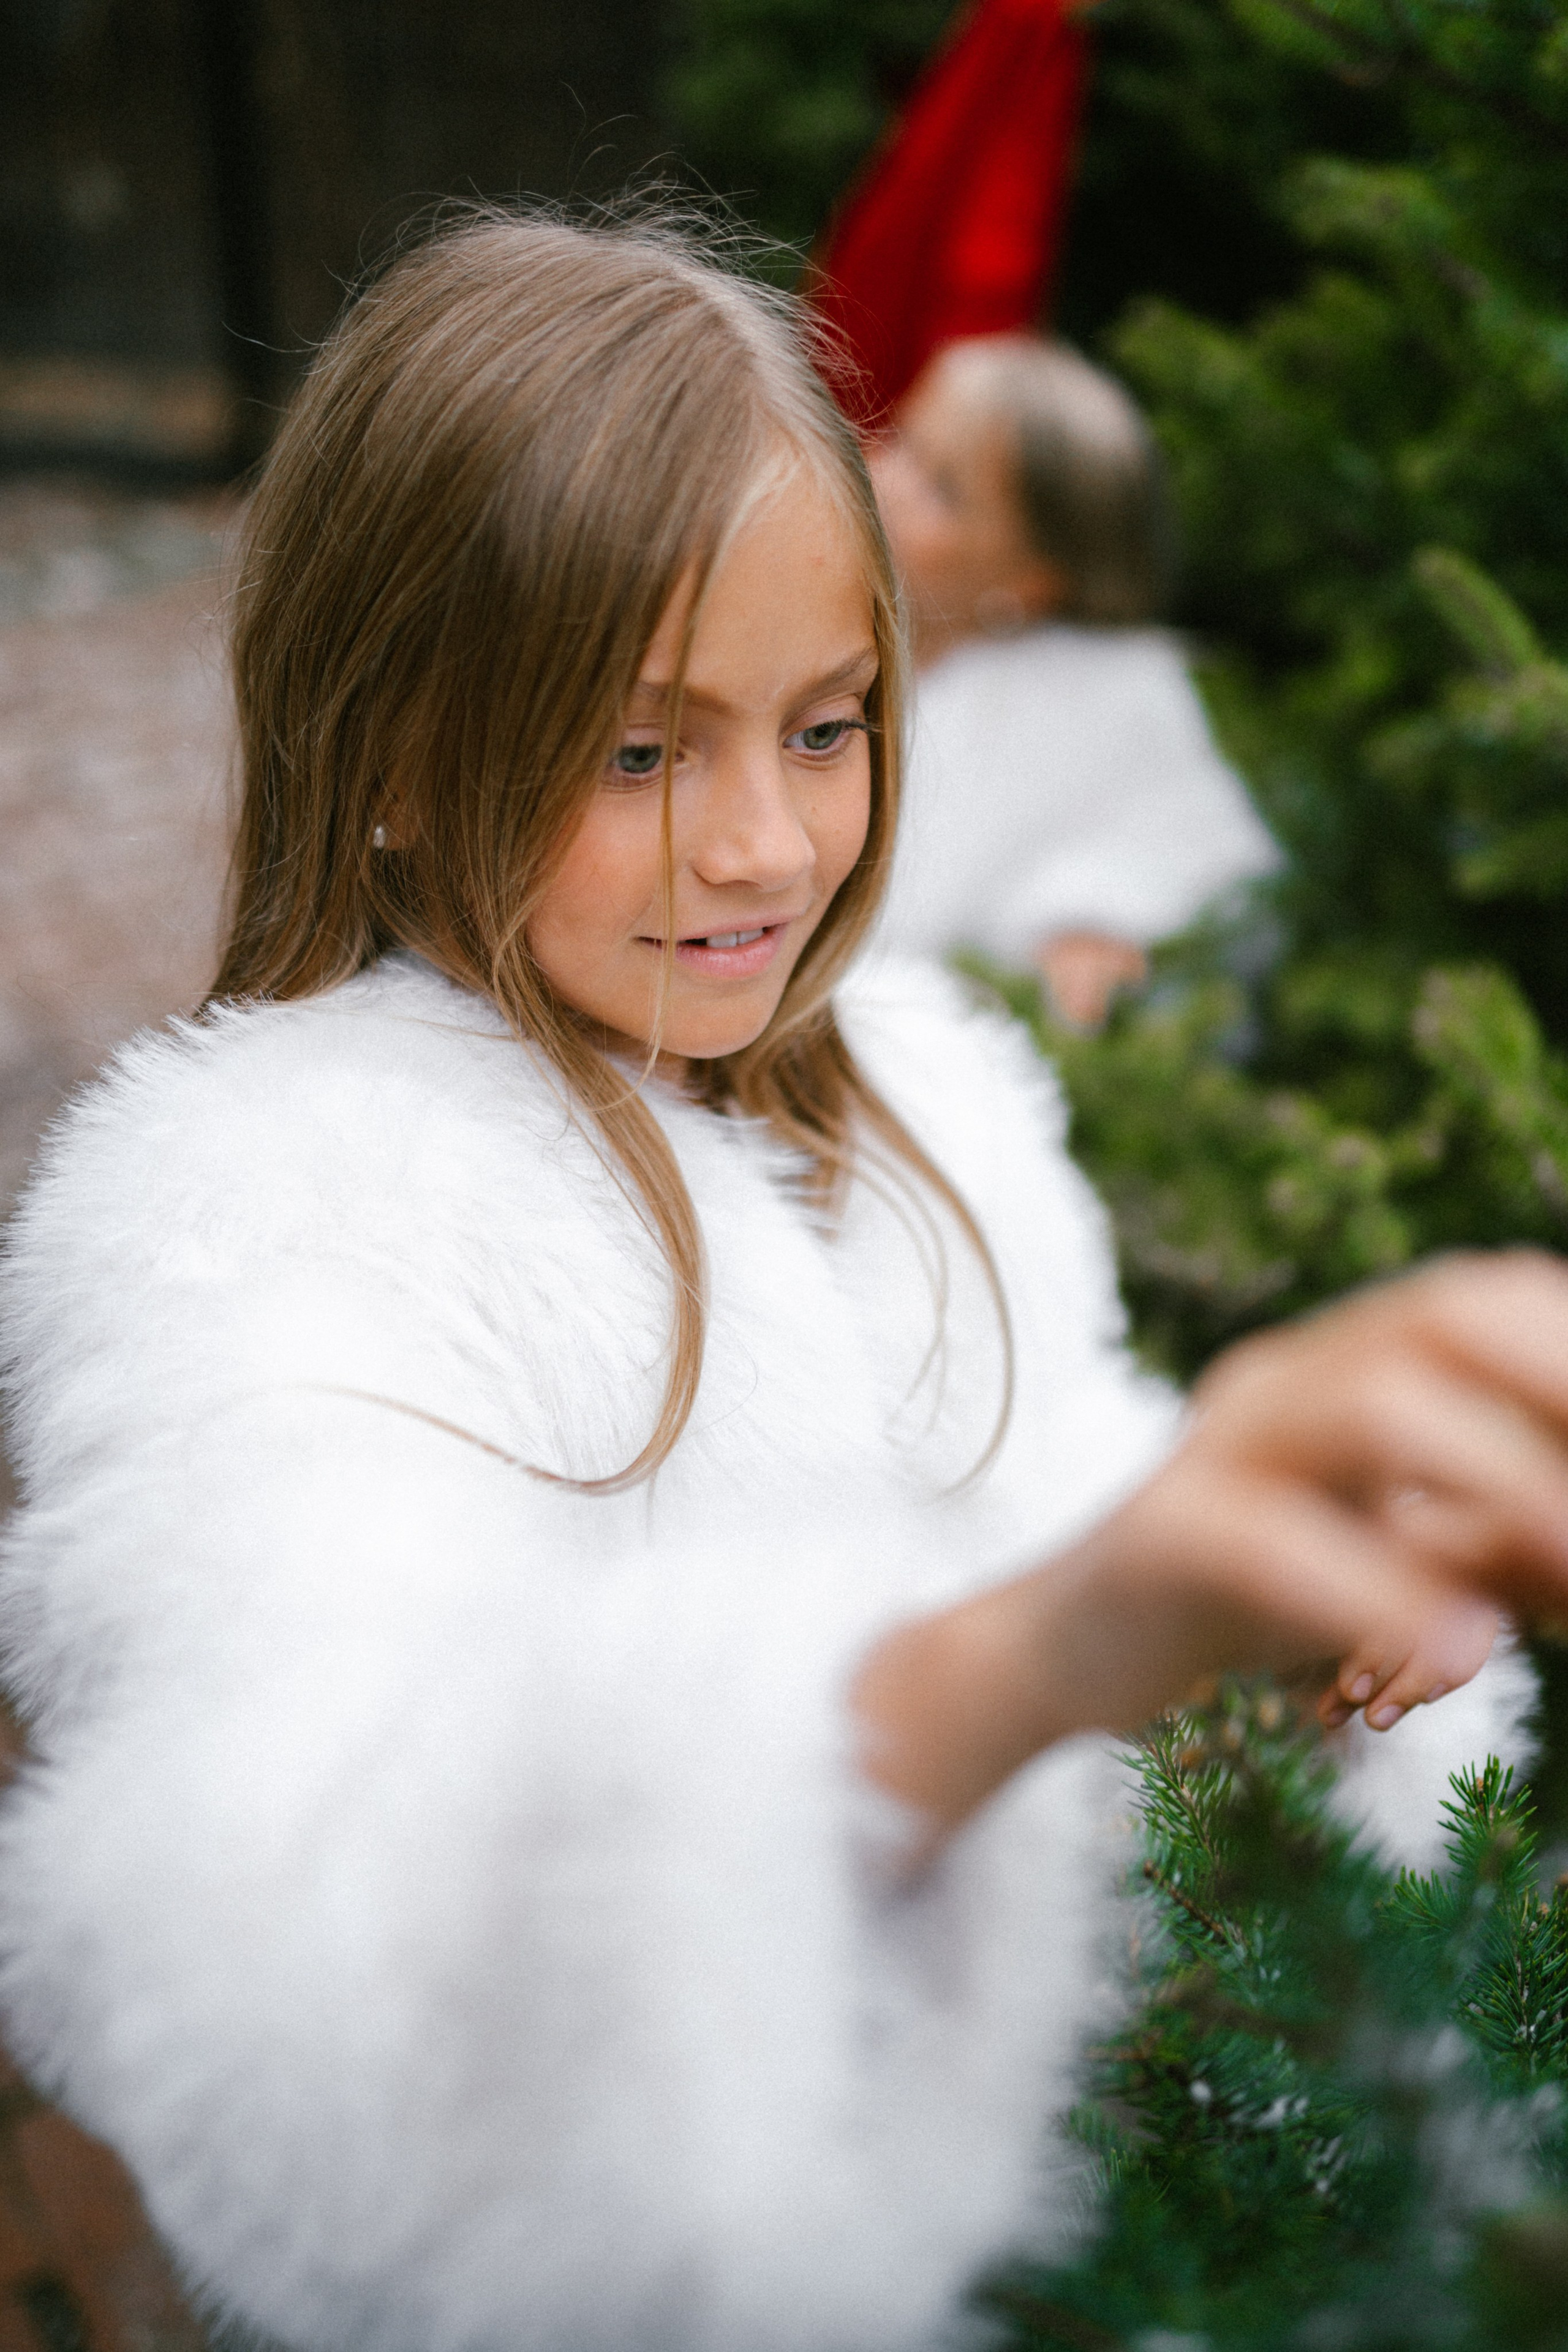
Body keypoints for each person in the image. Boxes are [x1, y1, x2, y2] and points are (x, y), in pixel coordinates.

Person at [0, 209, 1560, 2352]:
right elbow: (293, 1992)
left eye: (827, 727)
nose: (765, 847)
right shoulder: (259, 1216)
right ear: (380, 751)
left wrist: (1280, 1632)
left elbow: (1081, 1515)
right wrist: (1042, 1652)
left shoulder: (932, 1106)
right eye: (644, 753)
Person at [869, 334, 1280, 1027]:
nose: (884, 481)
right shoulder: (795, 597)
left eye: (943, 490)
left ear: (1031, 583)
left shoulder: (1109, 700)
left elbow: (1204, 871)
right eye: (903, 439)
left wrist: (1090, 929)